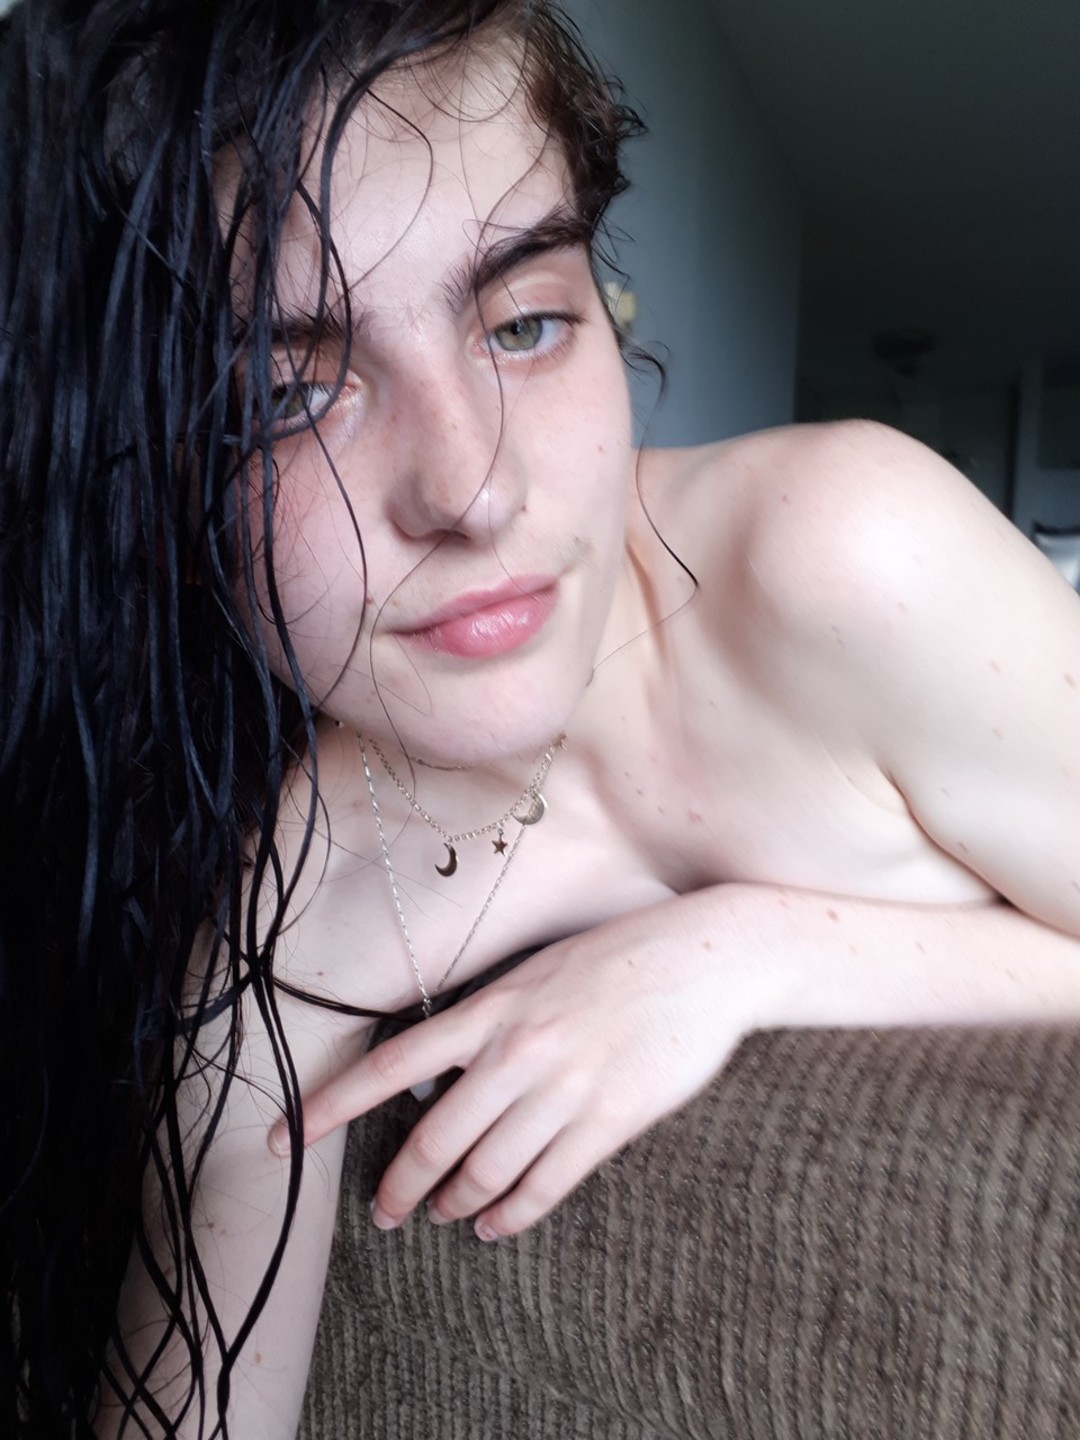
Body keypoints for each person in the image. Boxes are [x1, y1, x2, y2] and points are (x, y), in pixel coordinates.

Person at [3, 0, 1080, 1435]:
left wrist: (739, 960)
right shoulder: (292, 916)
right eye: (285, 394)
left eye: (523, 324)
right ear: (153, 476)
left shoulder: (846, 553)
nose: (473, 489)